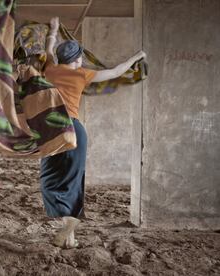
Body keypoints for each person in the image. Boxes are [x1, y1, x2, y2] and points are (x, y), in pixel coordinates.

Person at [41, 17, 146, 248]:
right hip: (75, 130)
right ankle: (70, 228)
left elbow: (48, 48)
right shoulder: (82, 75)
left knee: (49, 179)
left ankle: (70, 236)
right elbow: (115, 71)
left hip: (52, 130)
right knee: (73, 181)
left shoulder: (49, 69)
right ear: (77, 60)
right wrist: (137, 57)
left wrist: (54, 30)